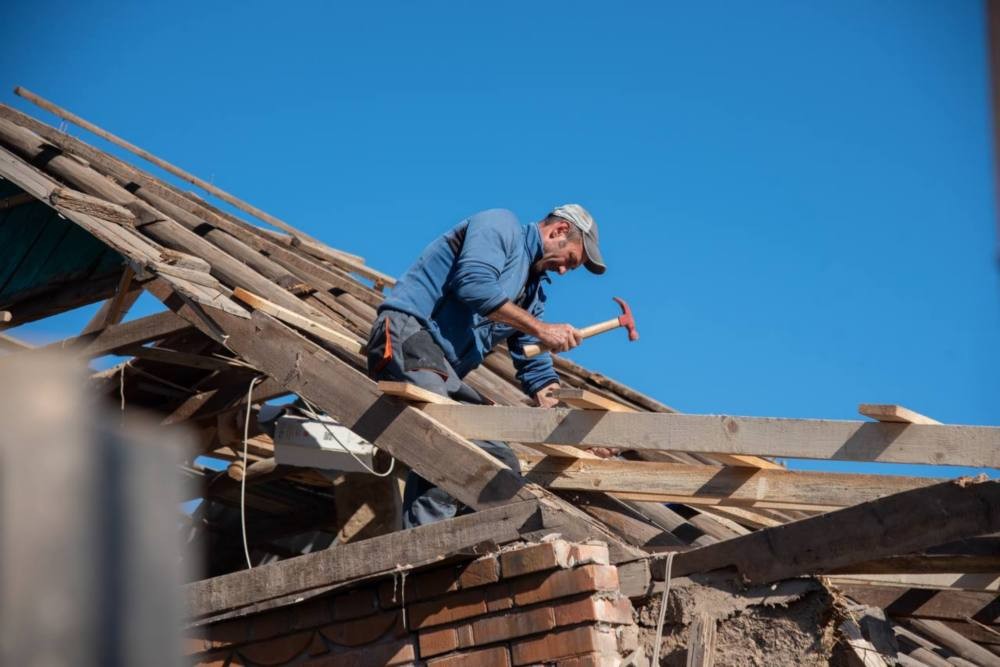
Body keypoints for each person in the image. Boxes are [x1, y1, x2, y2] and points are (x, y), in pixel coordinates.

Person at [366, 204, 606, 527]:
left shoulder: (532, 295)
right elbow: (473, 283)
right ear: (559, 231)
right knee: (455, 443)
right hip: (408, 334)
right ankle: (427, 550)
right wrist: (541, 330)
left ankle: (467, 544)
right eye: (570, 260)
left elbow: (536, 372)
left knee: (499, 460)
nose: (564, 271)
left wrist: (578, 432)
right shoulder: (501, 226)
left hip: (441, 371)